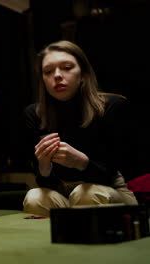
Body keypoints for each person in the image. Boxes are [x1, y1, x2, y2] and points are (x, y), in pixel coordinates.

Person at [22, 40, 137, 217]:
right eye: (48, 71)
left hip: (111, 190)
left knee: (87, 194)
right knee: (35, 197)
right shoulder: (35, 114)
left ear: (83, 74)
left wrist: (81, 162)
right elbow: (46, 183)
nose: (57, 75)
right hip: (63, 193)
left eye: (67, 67)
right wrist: (44, 167)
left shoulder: (112, 106)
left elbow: (118, 172)